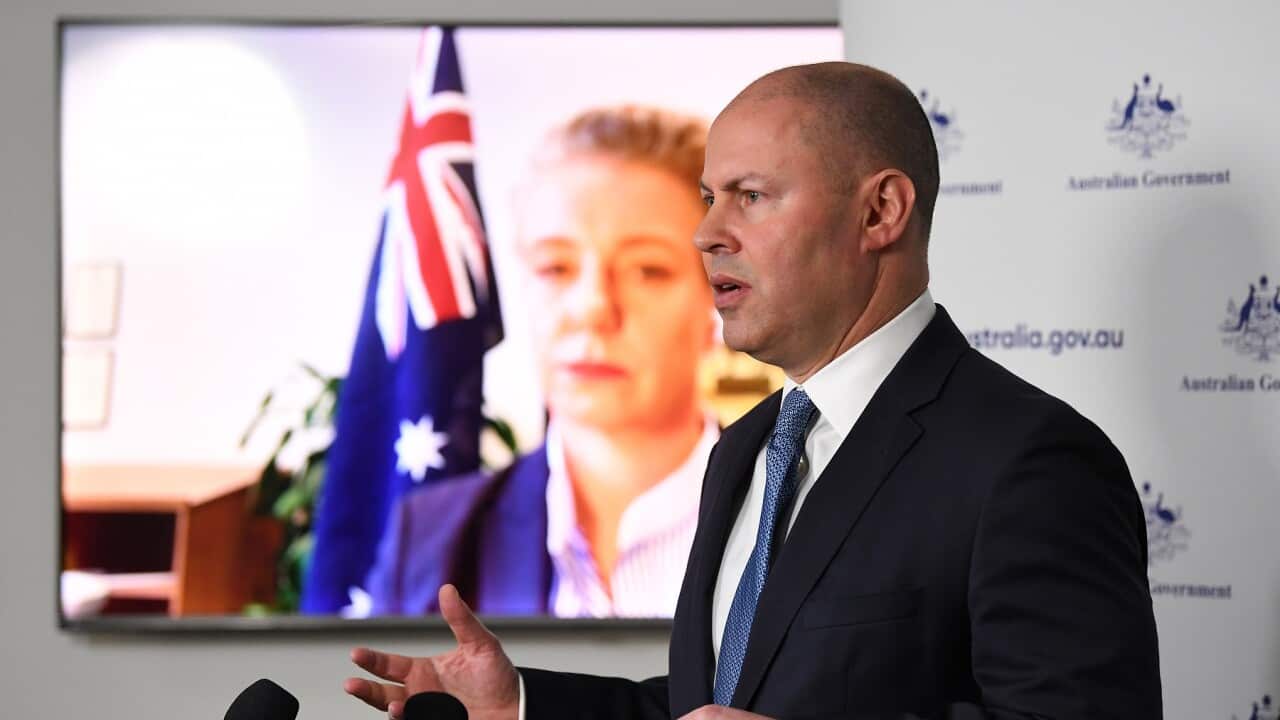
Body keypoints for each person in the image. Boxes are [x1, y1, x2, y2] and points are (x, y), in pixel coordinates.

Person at [345, 62, 1163, 719]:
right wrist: (521, 703)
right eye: (709, 198)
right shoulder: (748, 447)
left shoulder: (1028, 462)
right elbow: (723, 708)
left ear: (880, 211)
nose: (707, 233)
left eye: (750, 197)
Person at [364, 106, 721, 618]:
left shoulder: (810, 524)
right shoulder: (428, 540)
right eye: (555, 266)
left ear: (720, 298)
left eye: (649, 269)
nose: (592, 308)